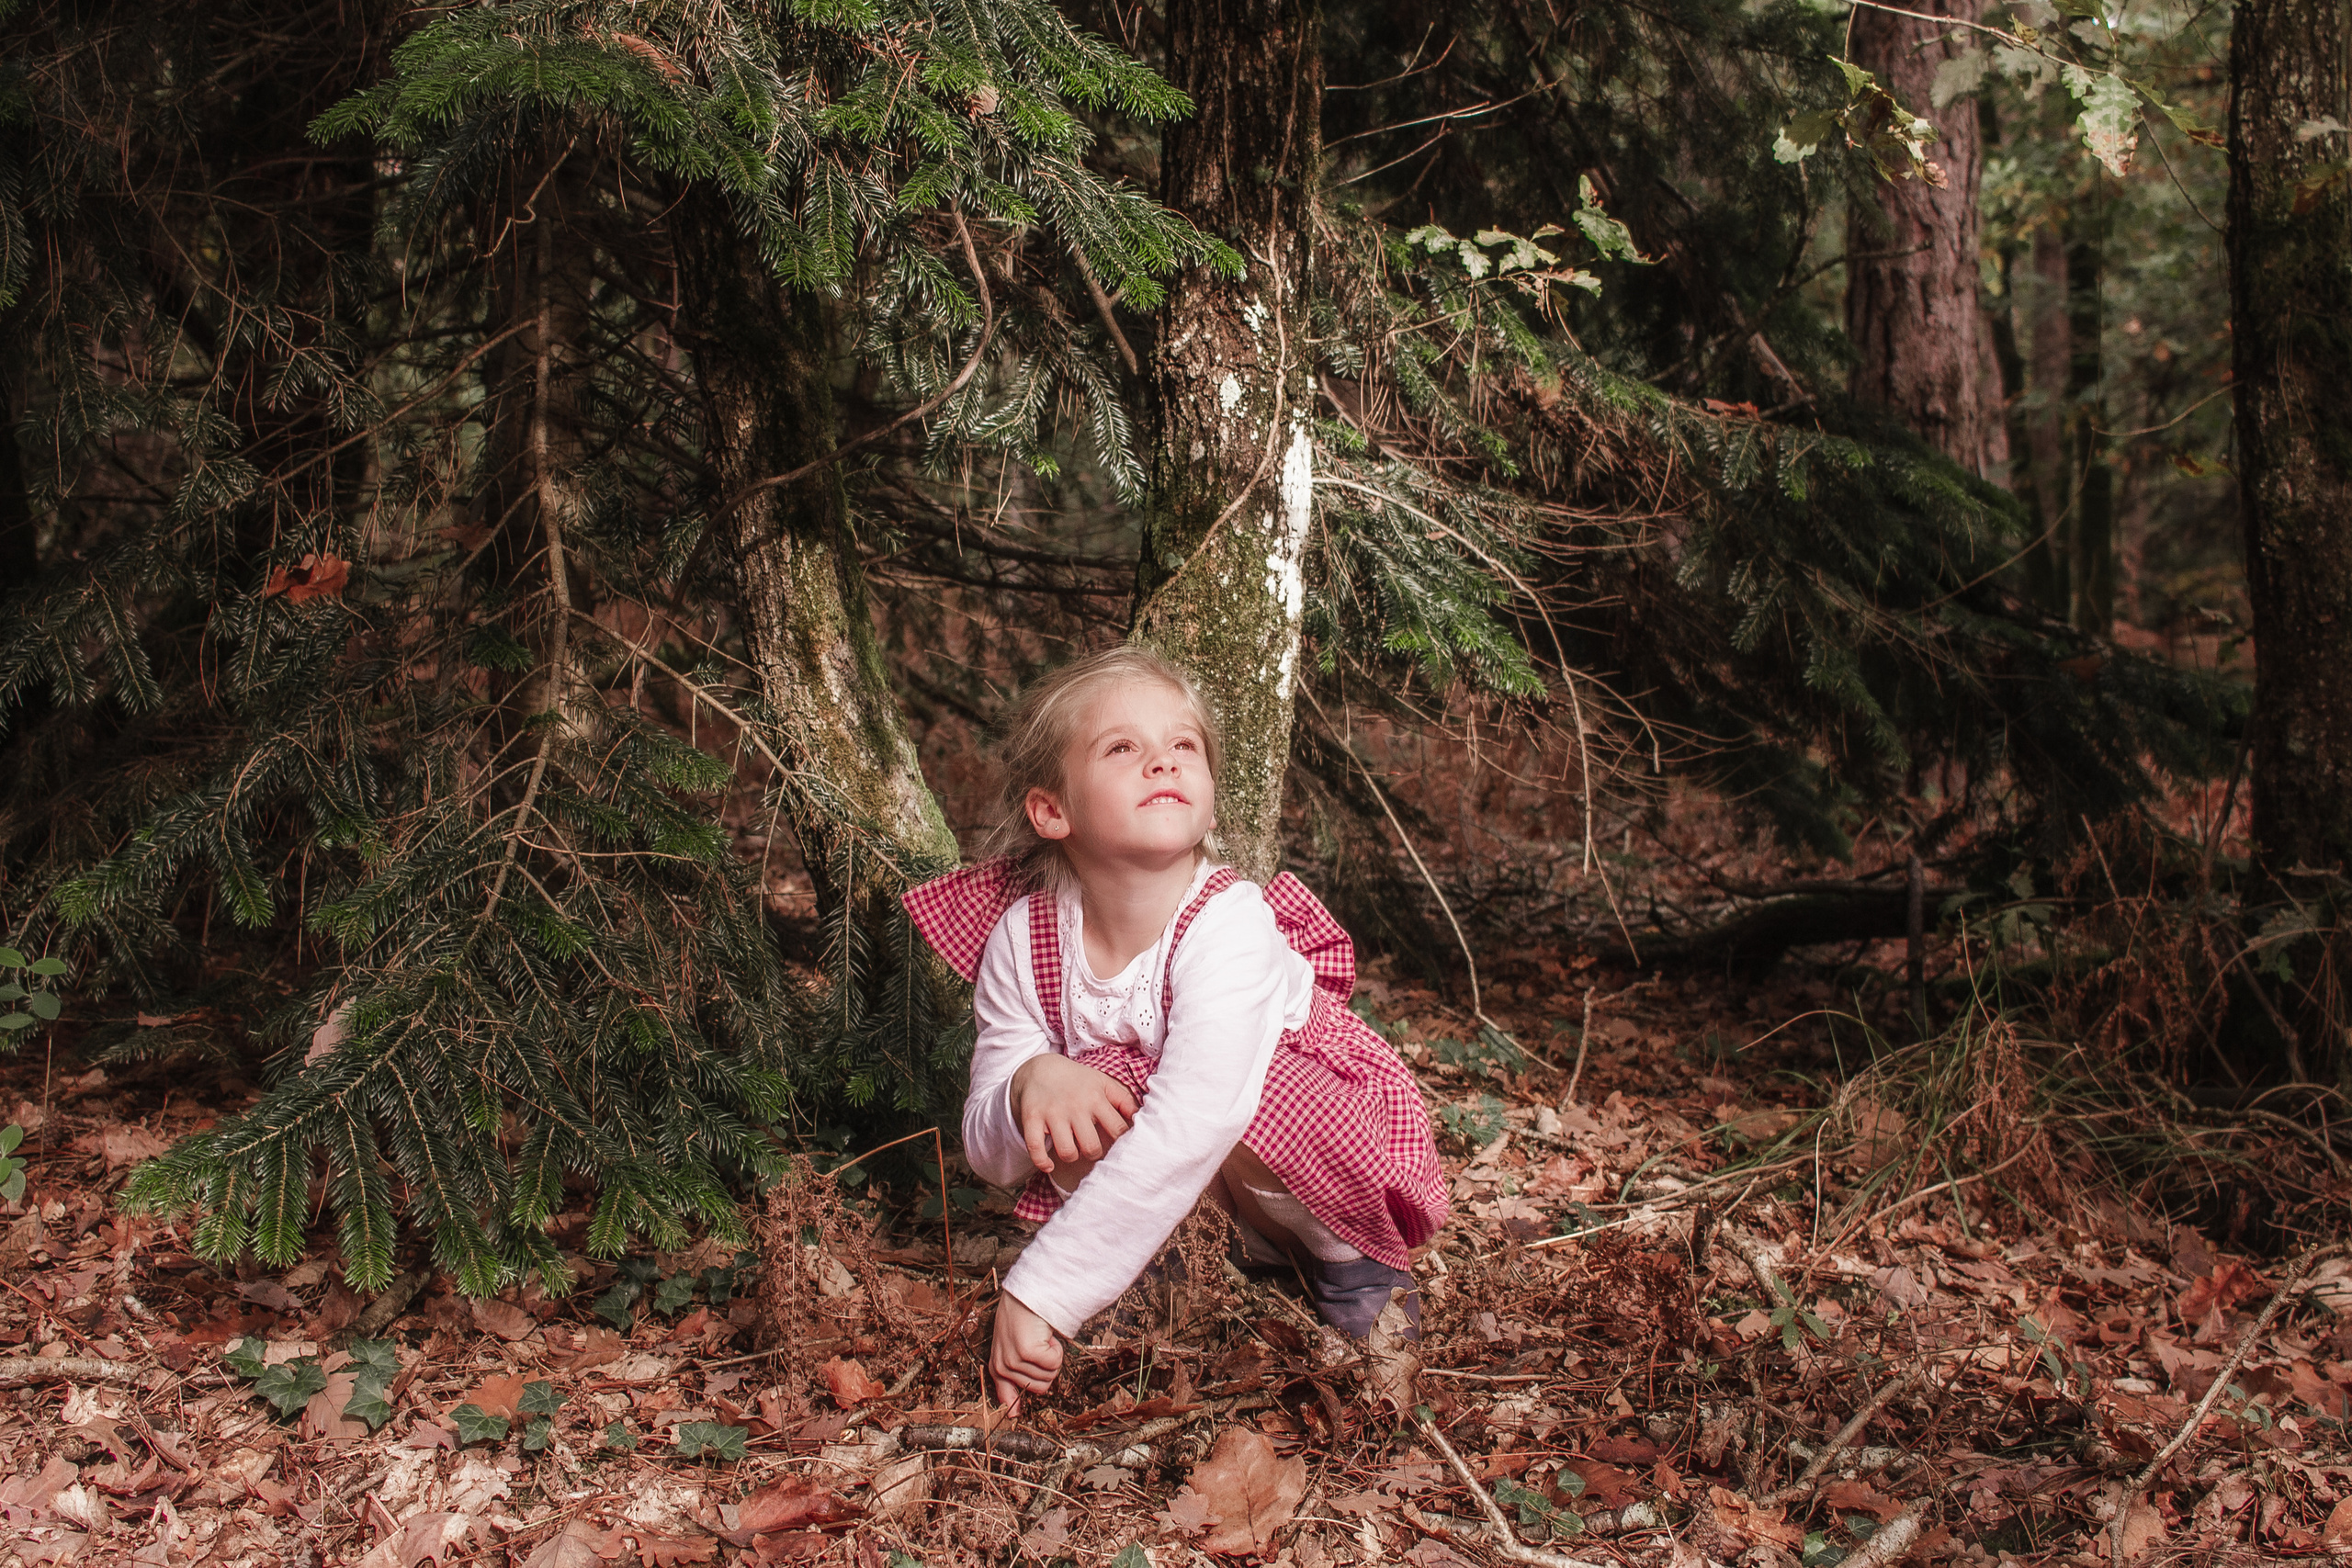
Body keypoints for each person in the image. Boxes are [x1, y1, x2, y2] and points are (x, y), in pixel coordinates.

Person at [901, 647, 1447, 1412]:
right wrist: (1028, 1079)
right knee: (1094, 1081)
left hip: (1307, 1158)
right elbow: (989, 1153)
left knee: (1266, 1088)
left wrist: (1043, 1288)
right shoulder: (1023, 940)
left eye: (1183, 745)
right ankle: (1179, 1258)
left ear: (1211, 799)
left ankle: (1348, 1260)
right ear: (1052, 810)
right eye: (1124, 747)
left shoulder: (1228, 921)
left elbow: (1198, 1117)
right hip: (1193, 1182)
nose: (1163, 760)